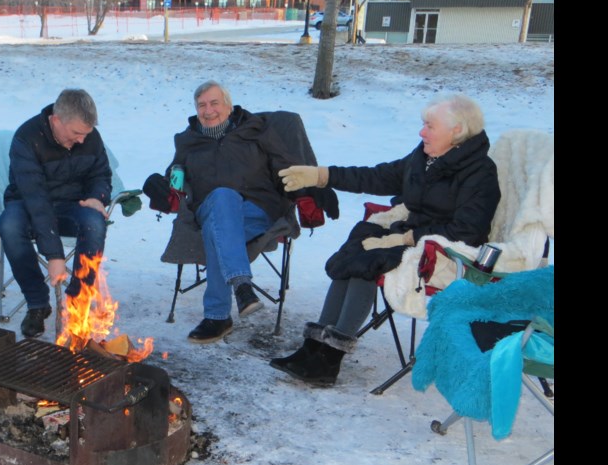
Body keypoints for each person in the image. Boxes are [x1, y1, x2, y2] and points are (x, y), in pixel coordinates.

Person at [270, 93, 501, 385]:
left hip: (442, 253)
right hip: (412, 233)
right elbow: (379, 177)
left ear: (457, 130)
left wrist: (405, 238)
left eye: (430, 126)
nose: (422, 132)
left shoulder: (480, 173)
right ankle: (312, 347)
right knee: (353, 253)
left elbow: (468, 232)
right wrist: (322, 176)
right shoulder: (425, 157)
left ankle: (330, 359)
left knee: (369, 262)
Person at [164, 81, 332, 344]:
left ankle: (218, 316)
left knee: (217, 230)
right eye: (202, 105)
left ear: (229, 106)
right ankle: (242, 285)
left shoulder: (256, 130)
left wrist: (310, 189)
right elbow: (175, 172)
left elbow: (286, 166)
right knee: (222, 197)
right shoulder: (188, 140)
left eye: (214, 103)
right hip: (208, 207)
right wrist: (166, 180)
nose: (208, 111)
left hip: (256, 209)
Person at [0, 88, 113, 339]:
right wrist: (54, 255)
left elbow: (101, 175)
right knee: (9, 225)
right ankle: (37, 304)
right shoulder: (27, 138)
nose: (82, 140)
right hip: (28, 202)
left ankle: (78, 304)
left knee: (94, 222)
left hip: (73, 203)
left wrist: (97, 197)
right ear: (56, 120)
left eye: (87, 134)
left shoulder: (90, 138)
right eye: (76, 133)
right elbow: (37, 199)